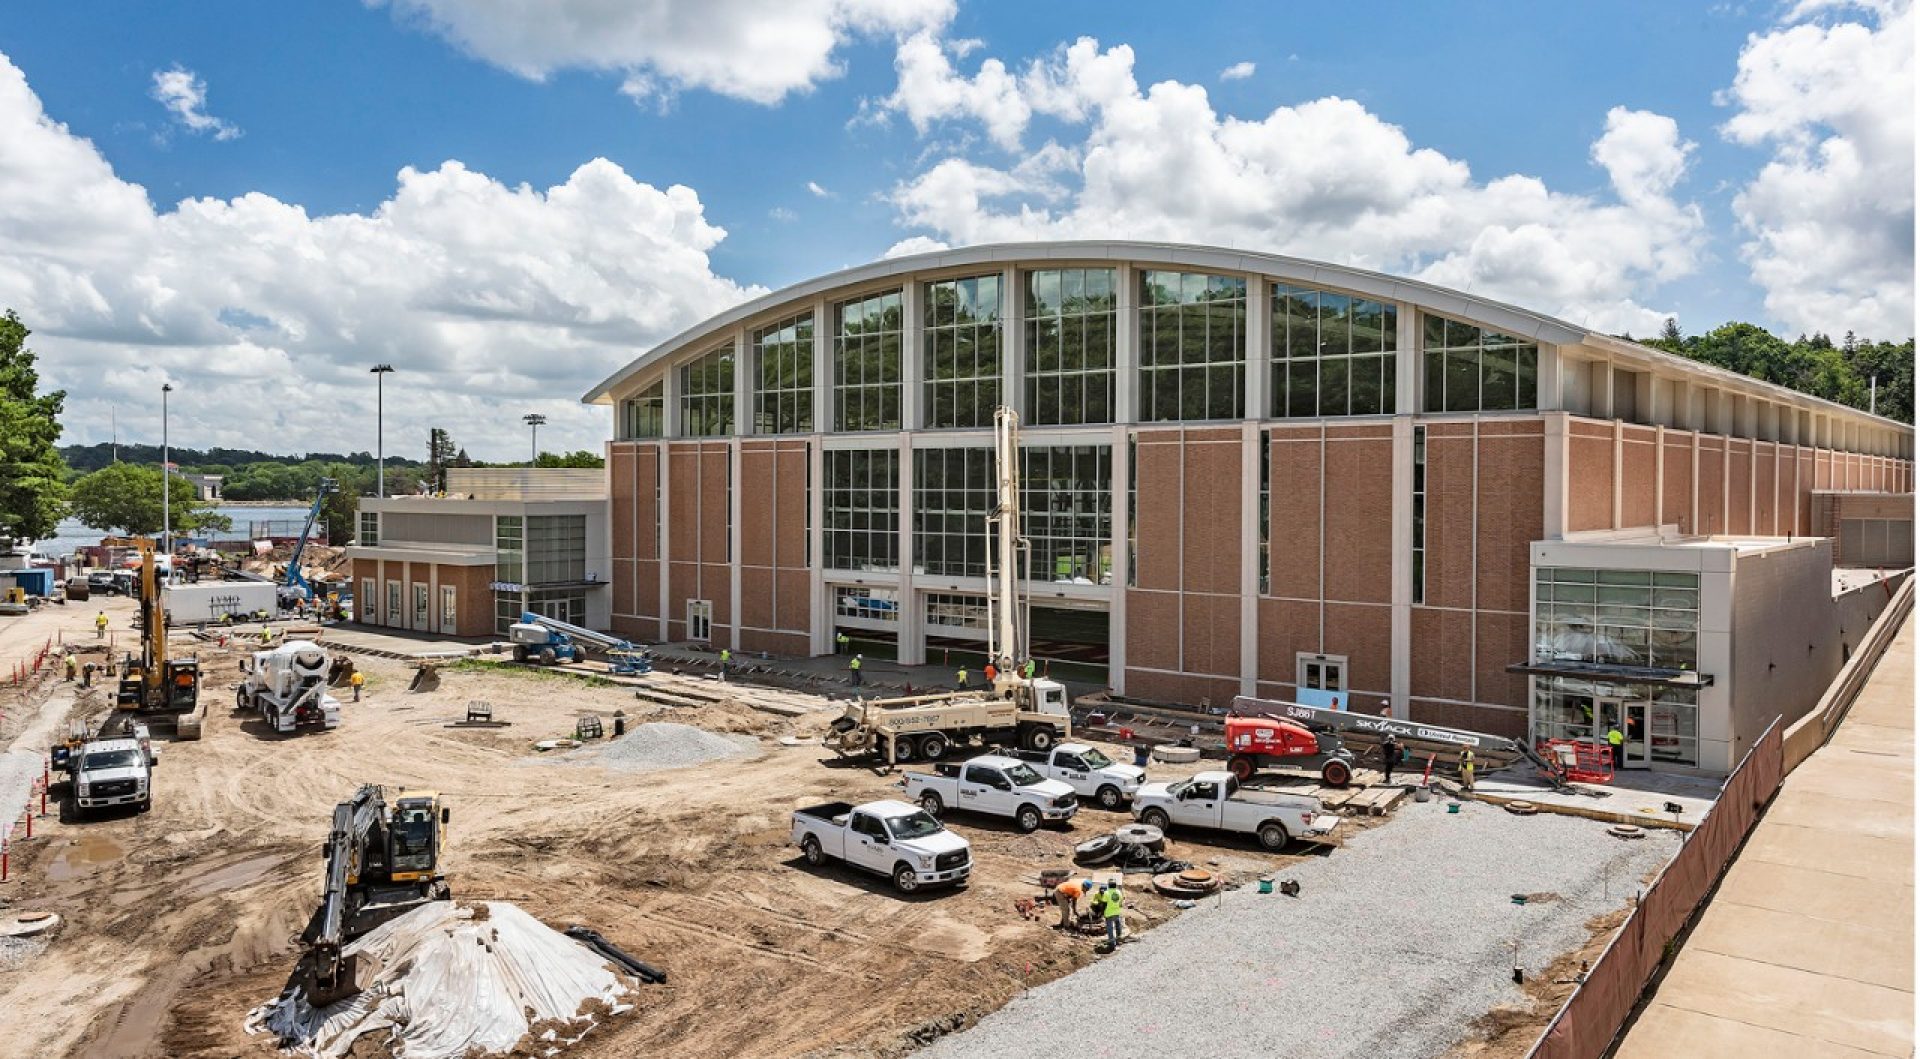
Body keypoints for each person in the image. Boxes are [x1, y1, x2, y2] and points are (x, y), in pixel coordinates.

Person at [1099, 880, 1124, 946]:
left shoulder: (1106, 893)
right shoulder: (1119, 892)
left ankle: (1112, 943)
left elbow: (1104, 904)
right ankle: (1119, 939)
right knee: (1118, 925)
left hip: (1109, 913)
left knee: (1110, 928)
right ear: (1115, 886)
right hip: (1117, 912)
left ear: (1109, 886)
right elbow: (1121, 903)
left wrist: (1102, 912)